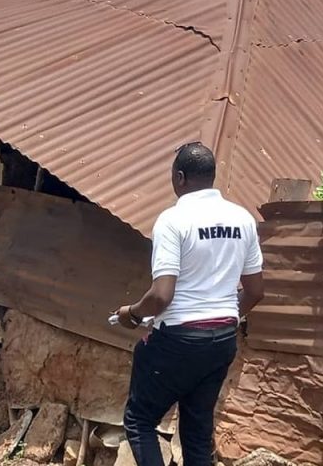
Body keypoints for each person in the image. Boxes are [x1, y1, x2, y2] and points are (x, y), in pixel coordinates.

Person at [115, 143, 265, 466]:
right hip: (222, 341)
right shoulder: (243, 220)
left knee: (140, 421)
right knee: (197, 434)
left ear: (179, 177)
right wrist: (220, 319)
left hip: (177, 342)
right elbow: (254, 291)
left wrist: (132, 314)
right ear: (211, 177)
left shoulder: (173, 221)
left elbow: (161, 296)